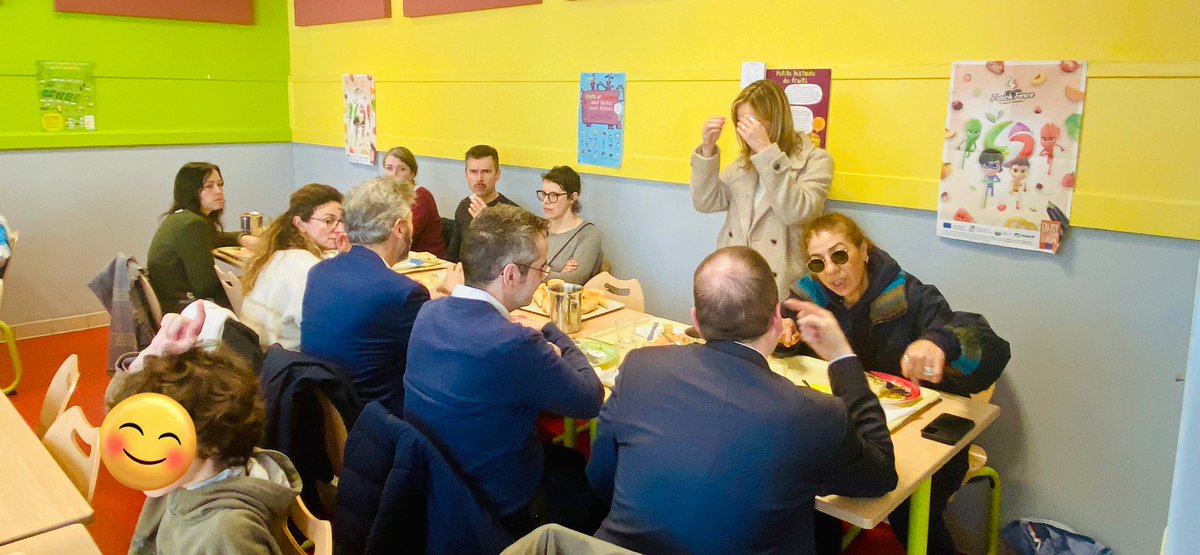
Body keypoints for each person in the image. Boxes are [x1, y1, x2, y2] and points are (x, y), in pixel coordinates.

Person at [586, 246, 896, 554]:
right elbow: (879, 477)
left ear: (695, 318)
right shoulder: (815, 414)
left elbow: (600, 475)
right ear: (777, 318)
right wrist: (842, 358)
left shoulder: (640, 367)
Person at [778, 212, 1011, 554]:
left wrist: (941, 343)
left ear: (864, 250)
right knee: (806, 488)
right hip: (857, 429)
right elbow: (793, 346)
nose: (831, 270)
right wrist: (786, 334)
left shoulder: (911, 296)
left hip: (924, 439)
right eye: (818, 262)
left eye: (840, 255)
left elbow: (989, 347)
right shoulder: (809, 298)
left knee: (909, 509)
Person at [404, 205, 603, 536]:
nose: (545, 276)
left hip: (437, 485)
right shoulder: (515, 343)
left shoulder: (429, 313)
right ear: (511, 274)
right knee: (588, 478)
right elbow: (590, 399)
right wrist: (553, 331)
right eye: (541, 267)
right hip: (501, 503)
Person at [106, 305, 302, 555]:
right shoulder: (187, 474)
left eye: (161, 439)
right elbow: (120, 415)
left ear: (213, 443)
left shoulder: (225, 533)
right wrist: (154, 354)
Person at [690, 79, 833, 300]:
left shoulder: (815, 160)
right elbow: (706, 202)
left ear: (775, 119)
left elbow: (797, 213)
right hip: (734, 280)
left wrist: (767, 151)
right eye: (741, 122)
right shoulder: (744, 162)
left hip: (783, 286)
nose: (746, 131)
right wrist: (707, 150)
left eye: (752, 122)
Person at [301, 176, 429, 416]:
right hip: (381, 423)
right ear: (399, 228)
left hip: (326, 414)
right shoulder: (402, 292)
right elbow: (435, 363)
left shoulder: (319, 272)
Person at [238, 184, 345, 350]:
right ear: (300, 224)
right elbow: (325, 331)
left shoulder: (276, 255)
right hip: (288, 366)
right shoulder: (309, 269)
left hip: (263, 359)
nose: (340, 229)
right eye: (328, 221)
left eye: (342, 221)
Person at [148, 162, 259, 312]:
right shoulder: (193, 225)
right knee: (259, 293)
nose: (218, 191)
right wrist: (244, 286)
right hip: (186, 308)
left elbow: (212, 238)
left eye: (220, 184)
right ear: (191, 190)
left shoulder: (181, 217)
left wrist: (241, 238)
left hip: (170, 302)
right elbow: (206, 287)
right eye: (209, 186)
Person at [446, 145, 519, 262]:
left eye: (486, 172)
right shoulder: (464, 206)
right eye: (473, 172)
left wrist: (487, 222)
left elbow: (509, 260)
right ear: (466, 174)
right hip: (463, 275)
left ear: (497, 174)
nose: (479, 178)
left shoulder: (512, 212)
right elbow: (453, 253)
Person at [539, 165, 603, 284]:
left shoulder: (588, 234)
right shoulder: (537, 228)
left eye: (554, 195)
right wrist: (556, 274)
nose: (545, 201)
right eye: (543, 194)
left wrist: (538, 272)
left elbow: (574, 280)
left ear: (572, 197)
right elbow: (518, 266)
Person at [381, 146, 446, 257]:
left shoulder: (421, 197)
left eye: (401, 169)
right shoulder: (386, 195)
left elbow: (402, 236)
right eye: (389, 168)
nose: (394, 174)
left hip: (428, 263)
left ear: (412, 173)